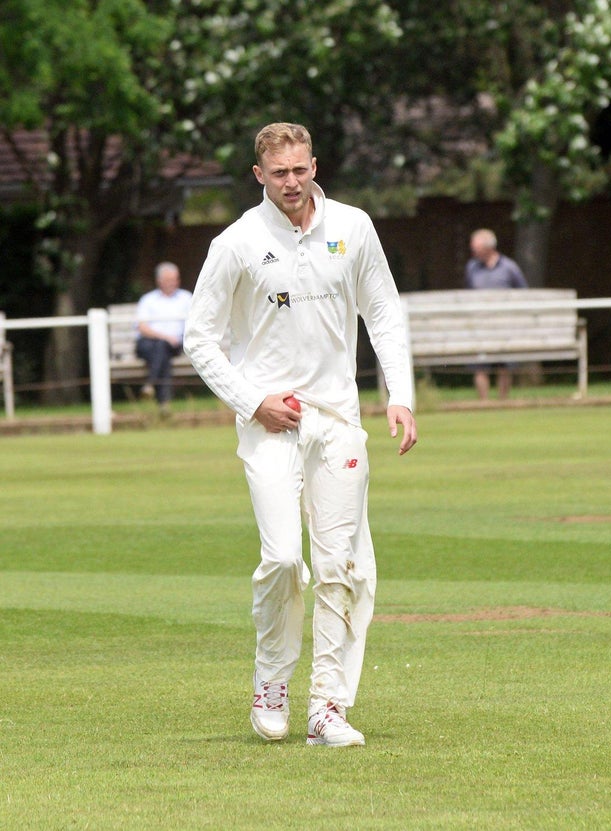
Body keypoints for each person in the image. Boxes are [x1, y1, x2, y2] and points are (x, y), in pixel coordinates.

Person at [184, 122, 417, 748]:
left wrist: (400, 396)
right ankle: (272, 681)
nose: (291, 183)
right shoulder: (235, 243)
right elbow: (199, 339)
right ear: (259, 176)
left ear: (314, 164)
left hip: (338, 421)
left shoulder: (353, 226)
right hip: (270, 423)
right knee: (285, 557)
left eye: (299, 169)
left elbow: (385, 312)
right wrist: (252, 400)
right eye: (278, 173)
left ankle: (327, 708)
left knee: (342, 566)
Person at [464, 228, 529, 400]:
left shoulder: (509, 267)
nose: (473, 250)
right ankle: (484, 403)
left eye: (476, 247)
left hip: (505, 326)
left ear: (488, 247)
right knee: (480, 365)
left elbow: (523, 293)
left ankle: (503, 401)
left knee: (505, 364)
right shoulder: (471, 268)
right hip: (480, 326)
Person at [135, 262, 192, 407]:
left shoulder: (186, 298)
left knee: (162, 349)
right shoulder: (148, 300)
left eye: (175, 279)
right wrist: (165, 337)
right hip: (149, 344)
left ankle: (150, 384)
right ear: (159, 281)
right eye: (169, 280)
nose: (173, 283)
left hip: (175, 345)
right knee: (161, 350)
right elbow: (142, 327)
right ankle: (164, 404)